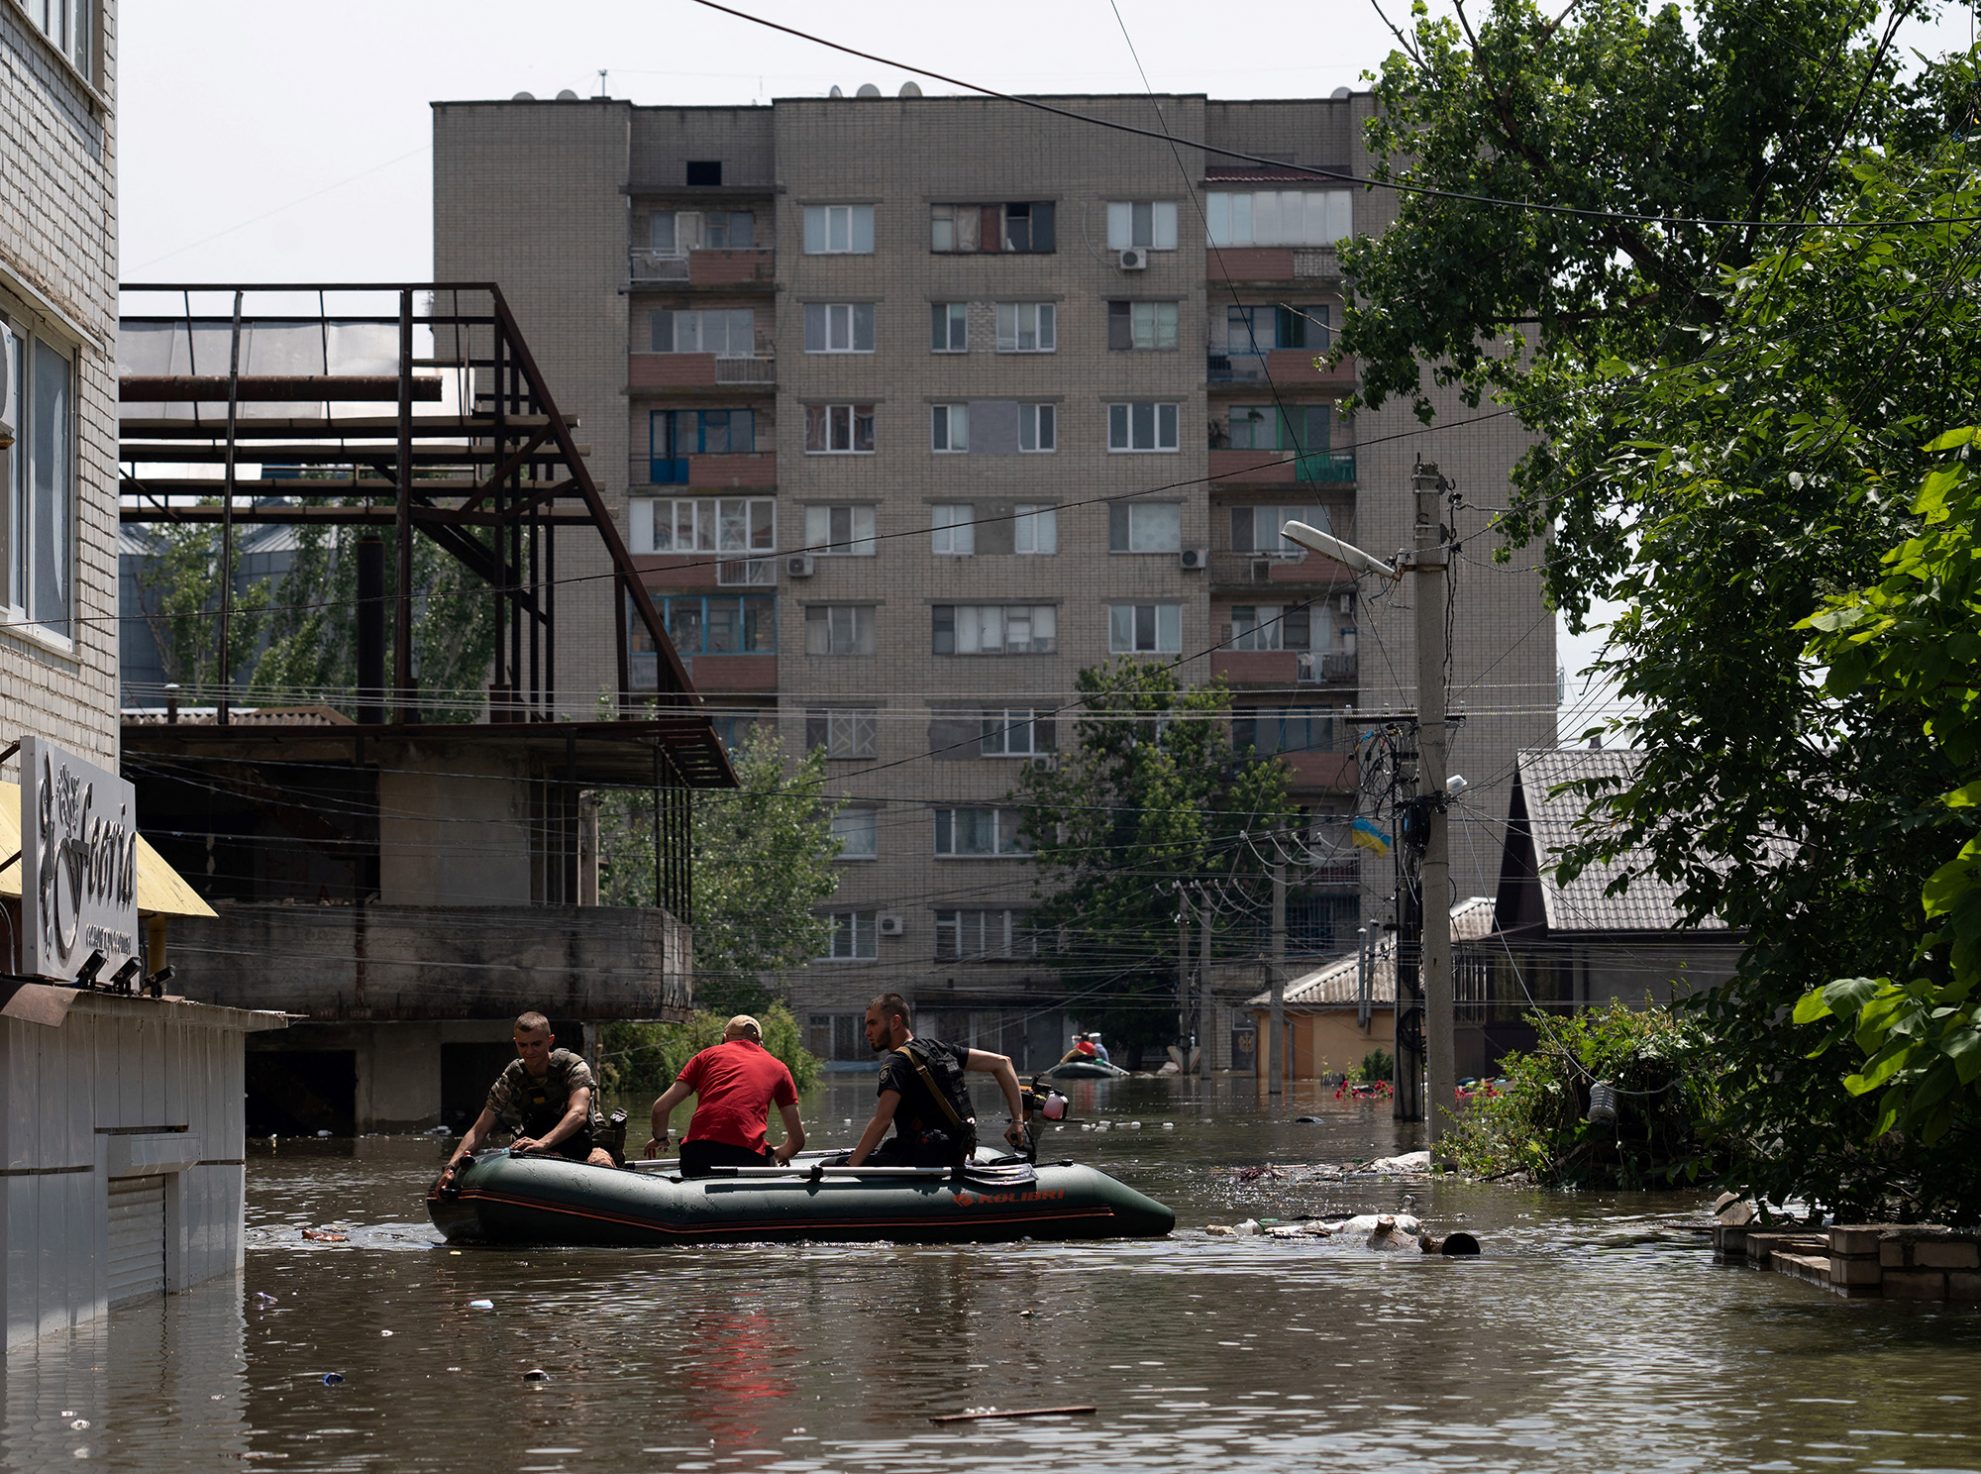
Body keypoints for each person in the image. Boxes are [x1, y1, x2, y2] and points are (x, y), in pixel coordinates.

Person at [848, 993, 1028, 1167]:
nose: (867, 1032)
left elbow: (882, 1121)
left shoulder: (897, 1062)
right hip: (954, 1153)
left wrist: (850, 1167)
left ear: (895, 1022)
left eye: (873, 1023)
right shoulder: (939, 1050)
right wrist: (1018, 1121)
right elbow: (1003, 1063)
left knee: (831, 1165)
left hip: (920, 1159)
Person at [440, 1012, 614, 1185]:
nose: (529, 1051)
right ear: (516, 1043)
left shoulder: (573, 1067)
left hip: (583, 1143)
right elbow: (480, 1129)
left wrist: (543, 1143)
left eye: (536, 1044)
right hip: (537, 1147)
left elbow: (578, 1113)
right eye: (523, 1045)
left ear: (550, 1041)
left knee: (601, 1164)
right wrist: (451, 1167)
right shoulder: (513, 1076)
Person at [643, 1015, 805, 1177]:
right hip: (747, 1157)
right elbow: (797, 1140)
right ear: (760, 1044)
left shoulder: (705, 1056)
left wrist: (660, 1138)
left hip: (697, 1154)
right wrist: (781, 1153)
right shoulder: (779, 1068)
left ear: (725, 1038)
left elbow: (660, 1108)